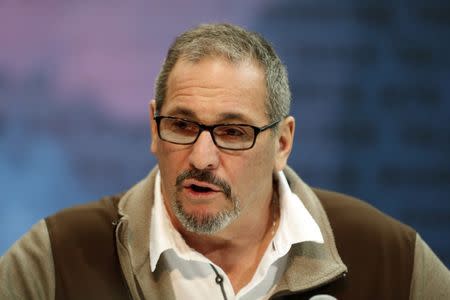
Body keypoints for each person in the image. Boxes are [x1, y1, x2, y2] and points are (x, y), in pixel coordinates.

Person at [0, 23, 449, 300]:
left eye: (233, 133)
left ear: (283, 143)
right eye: (181, 124)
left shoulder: (388, 258)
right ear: (154, 128)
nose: (201, 156)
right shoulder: (54, 260)